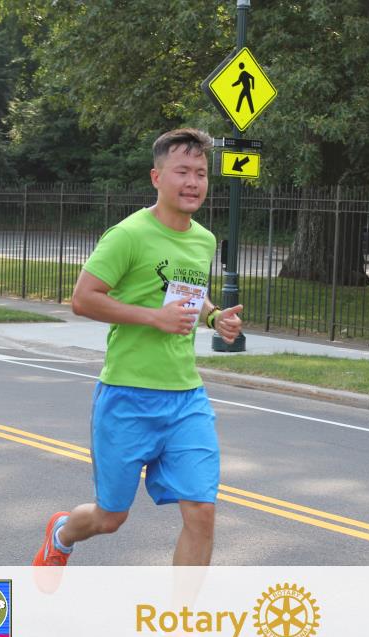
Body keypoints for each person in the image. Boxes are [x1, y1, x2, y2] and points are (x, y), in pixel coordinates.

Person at [33, 128, 242, 568]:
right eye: (182, 172)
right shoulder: (127, 235)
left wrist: (213, 318)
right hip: (127, 396)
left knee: (202, 512)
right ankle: (62, 532)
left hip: (186, 398)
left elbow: (189, 293)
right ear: (156, 177)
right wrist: (153, 318)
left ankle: (181, 615)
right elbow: (83, 299)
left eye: (201, 173)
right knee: (110, 517)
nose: (193, 182)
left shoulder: (204, 239)